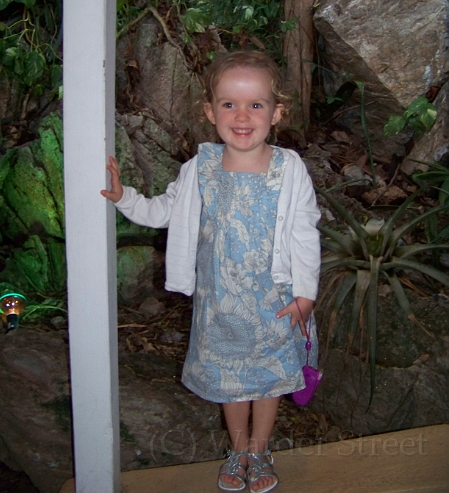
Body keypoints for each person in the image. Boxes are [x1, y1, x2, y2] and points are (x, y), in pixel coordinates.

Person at [101, 51, 321, 493]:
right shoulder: (200, 167)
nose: (242, 116)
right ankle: (238, 450)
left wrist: (306, 294)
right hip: (220, 303)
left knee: (268, 380)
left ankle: (260, 451)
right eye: (228, 104)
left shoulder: (290, 169)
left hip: (275, 301)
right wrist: (125, 198)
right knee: (230, 380)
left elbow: (304, 232)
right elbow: (165, 211)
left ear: (276, 113)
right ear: (209, 111)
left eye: (256, 105)